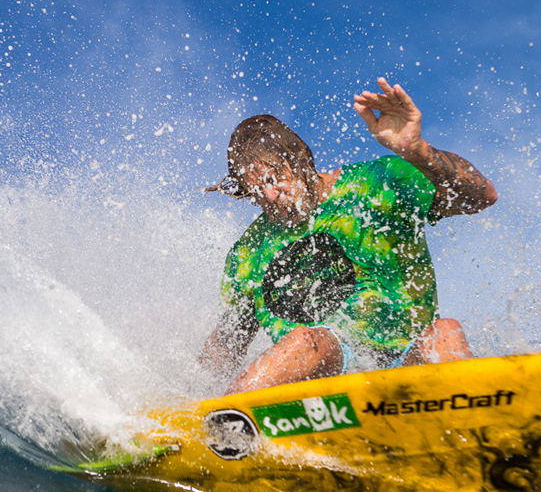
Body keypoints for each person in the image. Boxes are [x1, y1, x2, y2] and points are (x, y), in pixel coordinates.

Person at [198, 77, 497, 395]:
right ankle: (219, 425)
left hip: (411, 380)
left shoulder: (376, 185)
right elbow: (227, 345)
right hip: (322, 398)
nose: (269, 196)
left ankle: (480, 420)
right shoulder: (250, 253)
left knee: (445, 332)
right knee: (308, 340)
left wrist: (418, 151)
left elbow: (482, 197)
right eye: (257, 190)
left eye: (274, 178)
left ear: (300, 159)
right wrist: (186, 400)